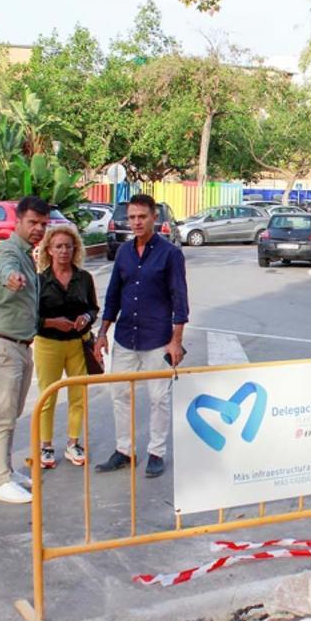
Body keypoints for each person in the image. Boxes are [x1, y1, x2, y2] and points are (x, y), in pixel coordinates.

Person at [94, 194, 188, 478]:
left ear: (154, 218)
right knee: (119, 394)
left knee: (159, 398)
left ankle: (156, 452)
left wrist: (176, 341)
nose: (136, 222)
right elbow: (113, 296)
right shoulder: (123, 252)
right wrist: (102, 334)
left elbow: (179, 300)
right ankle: (124, 450)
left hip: (157, 339)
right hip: (125, 337)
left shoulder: (170, 254)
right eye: (132, 217)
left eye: (142, 217)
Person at [0, 196, 50, 504]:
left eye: (43, 225)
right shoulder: (9, 251)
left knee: (12, 414)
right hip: (2, 345)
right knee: (2, 416)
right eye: (33, 223)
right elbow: (7, 269)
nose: (38, 229)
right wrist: (12, 278)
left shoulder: (25, 253)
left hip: (19, 345)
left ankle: (5, 471)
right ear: (18, 221)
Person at [34, 224, 100, 469]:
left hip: (77, 343)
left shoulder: (84, 278)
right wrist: (53, 322)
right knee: (48, 396)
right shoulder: (39, 281)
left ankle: (73, 443)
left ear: (75, 249)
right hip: (48, 344)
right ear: (49, 250)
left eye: (68, 246)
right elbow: (30, 317)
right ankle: (46, 446)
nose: (63, 251)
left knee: (78, 395)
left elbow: (94, 308)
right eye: (58, 246)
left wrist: (87, 318)